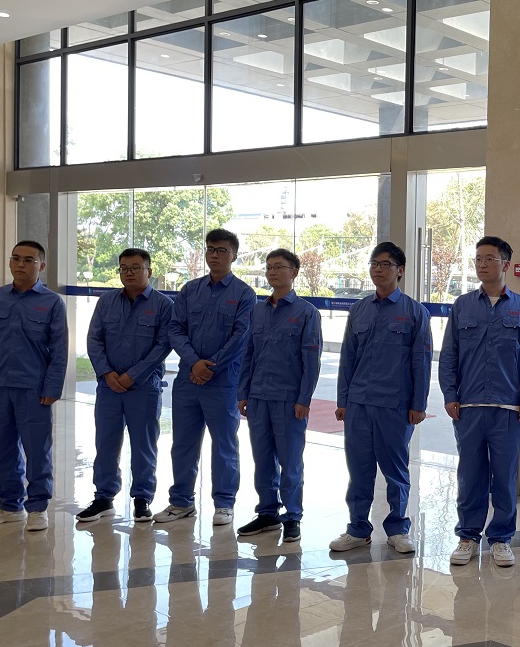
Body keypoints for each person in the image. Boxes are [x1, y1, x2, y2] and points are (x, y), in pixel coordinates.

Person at [440, 236, 520, 568]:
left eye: (489, 259)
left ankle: (501, 539)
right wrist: (450, 394)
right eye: (478, 259)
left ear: (505, 265)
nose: (482, 264)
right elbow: (449, 354)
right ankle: (468, 536)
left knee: (505, 476)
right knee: (470, 476)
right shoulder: (462, 305)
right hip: (469, 406)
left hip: (507, 408)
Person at [329, 242, 432, 554]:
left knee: (396, 472)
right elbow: (348, 357)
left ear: (400, 271)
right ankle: (358, 529)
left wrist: (418, 404)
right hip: (359, 404)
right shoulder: (359, 309)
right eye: (374, 264)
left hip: (395, 406)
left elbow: (421, 362)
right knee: (359, 471)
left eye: (385, 264)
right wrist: (343, 400)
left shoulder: (415, 312)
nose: (377, 269)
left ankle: (398, 529)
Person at [156, 228, 256, 526]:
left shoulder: (244, 294)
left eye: (222, 250)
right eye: (211, 249)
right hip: (188, 380)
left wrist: (209, 366)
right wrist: (194, 362)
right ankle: (181, 502)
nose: (214, 255)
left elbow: (241, 337)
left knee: (224, 445)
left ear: (234, 256)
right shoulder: (190, 290)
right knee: (183, 444)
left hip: (223, 382)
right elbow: (175, 329)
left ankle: (224, 503)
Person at [0, 240, 68, 532]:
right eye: (16, 258)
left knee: (37, 449)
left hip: (33, 388)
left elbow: (59, 350)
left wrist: (52, 388)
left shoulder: (52, 302)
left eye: (28, 260)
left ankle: (37, 507)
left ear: (41, 265)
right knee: (3, 448)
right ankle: (9, 505)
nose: (21, 264)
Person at [76, 248, 175, 525]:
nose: (128, 273)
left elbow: (163, 345)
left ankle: (142, 498)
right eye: (123, 268)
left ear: (149, 271)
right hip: (109, 387)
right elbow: (94, 339)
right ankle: (103, 497)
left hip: (143, 388)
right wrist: (107, 373)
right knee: (106, 442)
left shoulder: (164, 306)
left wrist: (133, 375)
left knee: (144, 444)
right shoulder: (107, 302)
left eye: (135, 268)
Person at [236, 249, 321, 542]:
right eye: (269, 267)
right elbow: (248, 354)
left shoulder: (306, 313)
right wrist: (243, 392)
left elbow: (311, 362)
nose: (272, 272)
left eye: (279, 267)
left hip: (289, 399)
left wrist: (304, 399)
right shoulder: (257, 311)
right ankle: (268, 513)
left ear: (294, 272)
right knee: (262, 460)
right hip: (258, 397)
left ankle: (292, 516)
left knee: (290, 461)